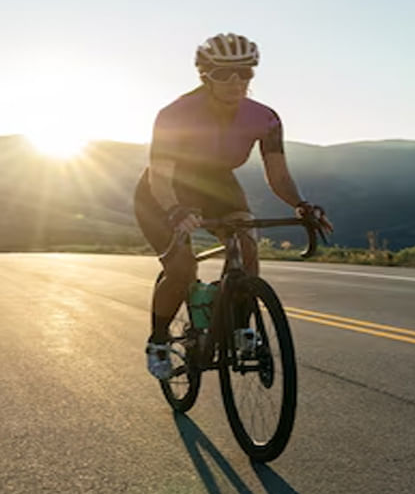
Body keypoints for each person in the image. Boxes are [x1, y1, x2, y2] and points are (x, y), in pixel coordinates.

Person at [135, 32, 332, 380]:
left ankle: (242, 328)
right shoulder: (175, 114)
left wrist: (301, 205)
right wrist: (176, 209)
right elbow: (161, 177)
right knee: (181, 271)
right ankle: (159, 341)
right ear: (205, 74)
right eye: (224, 73)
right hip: (164, 189)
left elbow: (279, 176)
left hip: (218, 184)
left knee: (246, 245)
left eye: (245, 73)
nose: (236, 81)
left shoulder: (265, 118)